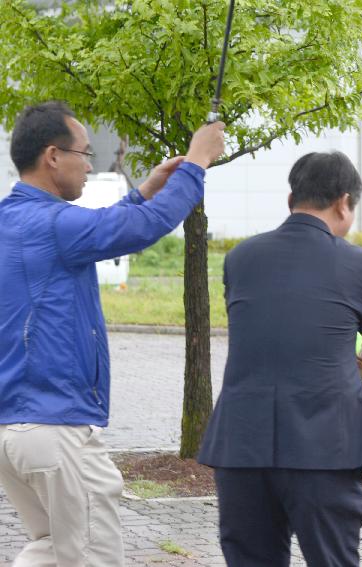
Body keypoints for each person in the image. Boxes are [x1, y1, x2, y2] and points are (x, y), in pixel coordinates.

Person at [0, 101, 225, 566]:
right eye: (84, 153)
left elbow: (103, 228)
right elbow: (139, 229)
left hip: (14, 432)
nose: (90, 164)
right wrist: (197, 163)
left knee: (51, 548)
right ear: (52, 155)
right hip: (55, 428)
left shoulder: (13, 221)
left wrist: (143, 192)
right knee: (95, 556)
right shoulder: (55, 224)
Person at [197, 151, 362, 566]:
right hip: (324, 446)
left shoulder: (241, 259)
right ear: (344, 202)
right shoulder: (361, 265)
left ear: (292, 199)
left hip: (242, 445)